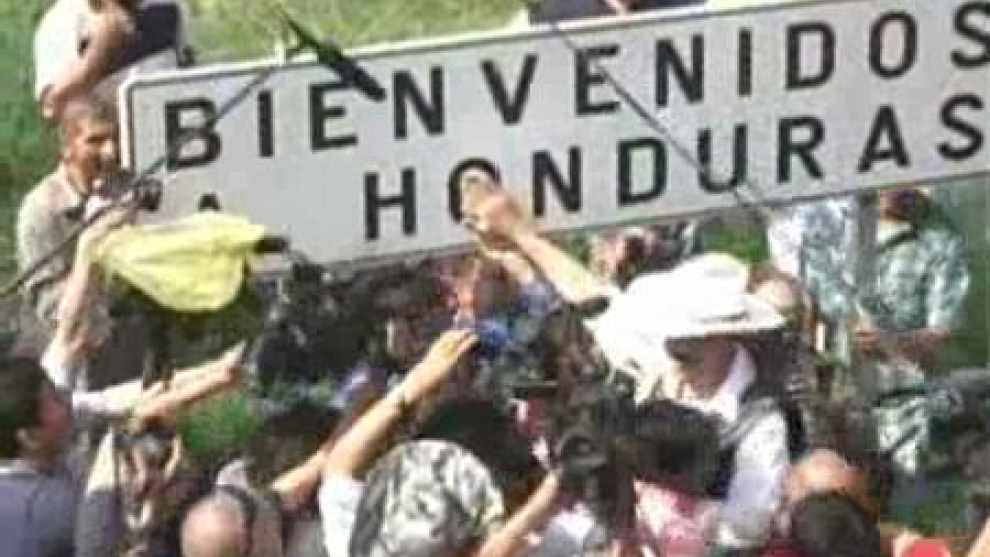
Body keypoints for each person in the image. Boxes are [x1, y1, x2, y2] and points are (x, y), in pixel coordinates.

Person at [459, 178, 791, 551]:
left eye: (685, 350)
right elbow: (593, 301)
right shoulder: (659, 352)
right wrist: (519, 233)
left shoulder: (757, 423)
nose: (672, 357)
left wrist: (674, 508)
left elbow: (748, 526)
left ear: (722, 336)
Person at [805, 187, 971, 519]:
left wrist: (891, 342)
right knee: (833, 515)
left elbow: (943, 337)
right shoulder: (834, 219)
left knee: (900, 515)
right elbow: (810, 297)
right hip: (835, 407)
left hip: (903, 409)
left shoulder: (941, 238)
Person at [16, 95, 145, 391]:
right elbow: (52, 308)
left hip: (131, 339)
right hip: (71, 357)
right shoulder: (42, 210)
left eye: (114, 139)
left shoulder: (128, 189)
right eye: (95, 141)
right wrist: (94, 245)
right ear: (67, 148)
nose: (110, 151)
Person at [35, 0, 193, 120]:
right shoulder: (61, 22)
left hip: (171, 131)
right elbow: (52, 106)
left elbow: (190, 70)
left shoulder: (169, 5)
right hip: (106, 143)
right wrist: (100, 47)